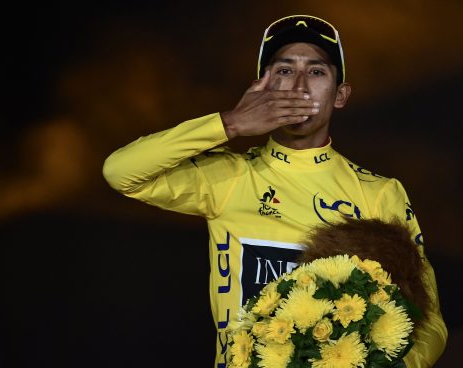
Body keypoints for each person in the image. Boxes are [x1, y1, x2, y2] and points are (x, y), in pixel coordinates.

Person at [102, 14, 447, 367]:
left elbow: (430, 321)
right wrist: (232, 123)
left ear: (340, 95)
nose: (298, 86)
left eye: (316, 72)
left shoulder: (379, 193)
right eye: (283, 71)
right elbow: (120, 171)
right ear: (261, 89)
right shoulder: (228, 177)